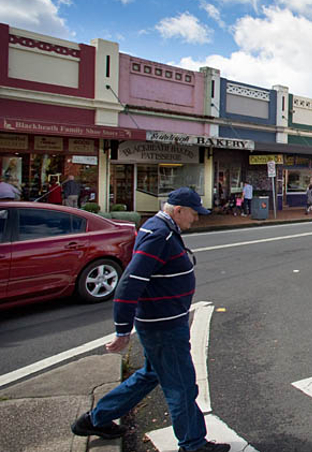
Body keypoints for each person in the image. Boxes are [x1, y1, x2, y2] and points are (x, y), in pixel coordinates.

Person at [70, 188, 229, 452]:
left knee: (150, 375)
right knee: (181, 386)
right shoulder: (160, 235)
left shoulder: (159, 229)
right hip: (164, 327)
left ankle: (96, 418)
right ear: (177, 210)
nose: (196, 219)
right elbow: (129, 283)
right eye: (193, 213)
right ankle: (193, 444)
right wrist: (122, 330)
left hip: (161, 323)